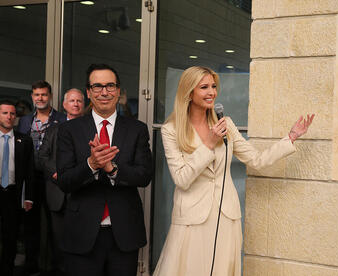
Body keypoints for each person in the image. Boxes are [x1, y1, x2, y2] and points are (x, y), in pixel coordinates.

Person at [153, 66, 314, 276]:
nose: (211, 92)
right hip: (191, 218)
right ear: (189, 92)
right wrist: (209, 144)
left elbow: (257, 160)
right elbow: (181, 179)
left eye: (213, 86)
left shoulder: (225, 124)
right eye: (204, 87)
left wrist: (290, 138)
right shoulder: (170, 130)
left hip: (226, 216)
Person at [56, 64, 153, 276]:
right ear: (89, 92)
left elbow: (145, 175)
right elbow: (64, 180)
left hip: (124, 232)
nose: (104, 92)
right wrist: (91, 165)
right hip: (82, 232)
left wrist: (112, 169)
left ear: (118, 91)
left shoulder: (137, 129)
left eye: (110, 86)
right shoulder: (69, 130)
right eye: (97, 86)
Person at [17, 80, 67, 274]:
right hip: (31, 180)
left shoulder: (62, 120)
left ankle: (56, 268)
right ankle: (32, 266)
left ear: (50, 96)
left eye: (44, 95)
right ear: (32, 96)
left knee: (56, 227)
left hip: (53, 180)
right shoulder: (25, 120)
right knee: (31, 225)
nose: (40, 98)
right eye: (36, 95)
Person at [38, 88, 85, 276]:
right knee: (59, 242)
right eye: (72, 101)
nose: (75, 104)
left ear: (83, 105)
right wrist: (57, 174)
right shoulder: (53, 129)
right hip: (57, 194)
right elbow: (42, 157)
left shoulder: (90, 129)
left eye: (79, 101)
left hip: (82, 193)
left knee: (82, 240)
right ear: (64, 105)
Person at [0, 99, 34, 276]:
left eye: (12, 113)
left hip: (12, 195)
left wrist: (28, 197)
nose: (9, 116)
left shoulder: (24, 140)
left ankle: (6, 271)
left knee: (10, 238)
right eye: (5, 113)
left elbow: (29, 172)